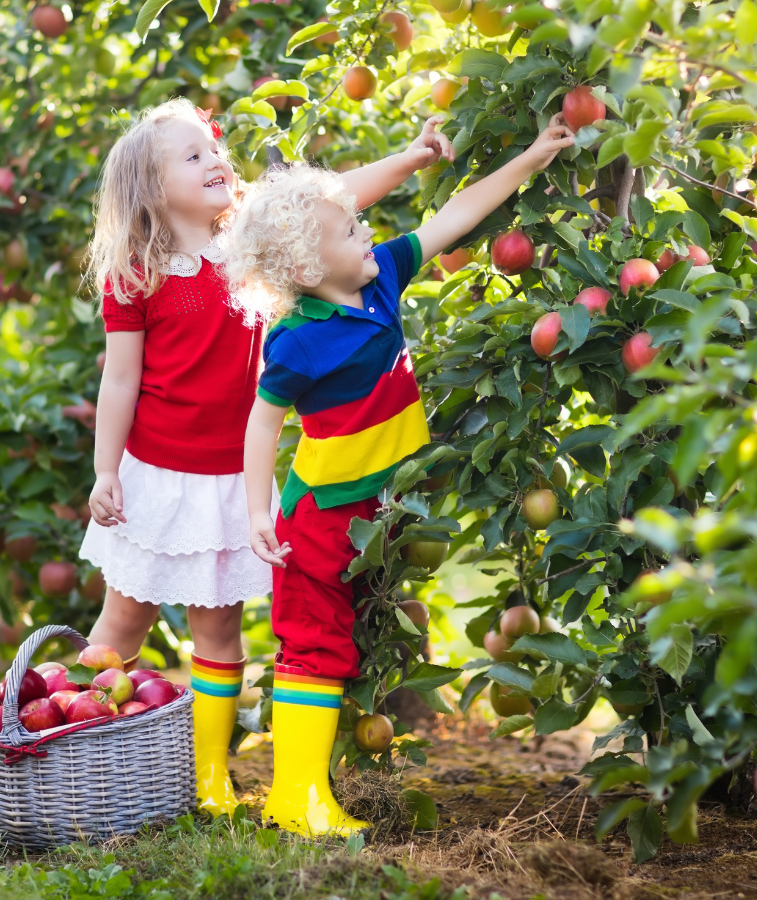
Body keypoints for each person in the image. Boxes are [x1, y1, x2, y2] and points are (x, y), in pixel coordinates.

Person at [78, 98, 454, 819]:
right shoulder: (137, 272)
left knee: (219, 631)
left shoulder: (248, 236)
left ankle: (208, 776)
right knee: (124, 617)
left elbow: (333, 200)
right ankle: (74, 737)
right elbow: (119, 378)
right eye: (191, 156)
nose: (216, 160)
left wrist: (410, 158)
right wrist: (105, 471)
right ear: (152, 189)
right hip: (156, 474)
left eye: (212, 148)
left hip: (229, 478)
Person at [225, 113, 576, 836]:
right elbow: (264, 423)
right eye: (349, 229)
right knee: (313, 645)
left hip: (379, 512)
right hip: (320, 515)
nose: (366, 232)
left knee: (346, 640)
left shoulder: (382, 277)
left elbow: (458, 212)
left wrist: (533, 158)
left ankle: (308, 790)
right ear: (303, 270)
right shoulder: (296, 343)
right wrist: (258, 512)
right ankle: (296, 798)